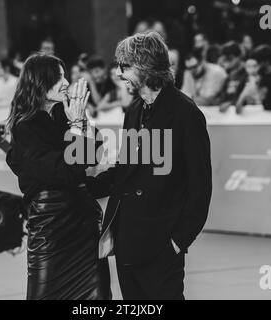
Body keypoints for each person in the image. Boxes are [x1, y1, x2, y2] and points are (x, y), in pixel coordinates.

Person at [87, 31, 212, 300]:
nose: (119, 74)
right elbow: (126, 170)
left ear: (145, 65)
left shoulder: (186, 114)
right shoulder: (133, 111)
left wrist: (177, 242)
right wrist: (81, 186)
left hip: (161, 244)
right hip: (128, 240)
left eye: (125, 66)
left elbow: (200, 187)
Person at [5, 53, 110, 300]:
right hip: (50, 230)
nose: (66, 83)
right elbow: (65, 171)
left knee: (97, 299)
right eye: (58, 78)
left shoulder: (65, 114)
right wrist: (76, 127)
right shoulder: (25, 127)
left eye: (65, 76)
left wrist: (81, 120)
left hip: (83, 226)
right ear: (40, 83)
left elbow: (93, 153)